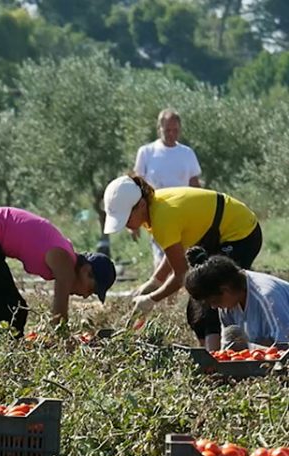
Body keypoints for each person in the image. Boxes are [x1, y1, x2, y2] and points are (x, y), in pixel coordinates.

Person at [102, 174, 261, 350]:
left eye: (126, 218)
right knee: (197, 302)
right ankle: (210, 355)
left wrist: (151, 299)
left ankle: (219, 358)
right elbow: (174, 252)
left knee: (210, 293)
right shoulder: (154, 207)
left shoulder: (162, 217)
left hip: (242, 233)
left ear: (140, 205)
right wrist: (155, 281)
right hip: (216, 236)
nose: (125, 225)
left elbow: (181, 274)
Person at [0, 206, 116, 336]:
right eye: (91, 289)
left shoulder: (66, 255)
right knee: (8, 314)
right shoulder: (65, 264)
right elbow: (58, 317)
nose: (86, 295)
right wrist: (64, 343)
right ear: (86, 271)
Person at [133, 109, 203, 268]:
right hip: (157, 213)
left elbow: (195, 184)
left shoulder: (187, 153)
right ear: (159, 128)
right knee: (162, 259)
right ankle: (163, 289)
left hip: (184, 212)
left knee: (184, 257)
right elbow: (138, 185)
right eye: (167, 130)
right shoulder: (146, 152)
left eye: (175, 130)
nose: (171, 134)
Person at [184, 247, 289, 349]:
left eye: (214, 301)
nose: (214, 306)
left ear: (226, 289)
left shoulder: (267, 297)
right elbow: (229, 346)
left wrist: (248, 347)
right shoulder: (228, 304)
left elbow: (284, 346)